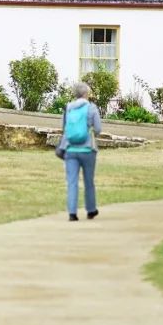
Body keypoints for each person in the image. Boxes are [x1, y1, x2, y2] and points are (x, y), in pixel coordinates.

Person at [60, 81, 102, 222]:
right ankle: (91, 210)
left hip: (70, 149)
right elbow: (98, 129)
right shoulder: (91, 108)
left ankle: (72, 213)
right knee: (89, 181)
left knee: (72, 182)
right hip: (88, 149)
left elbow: (64, 128)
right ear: (85, 94)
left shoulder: (68, 108)